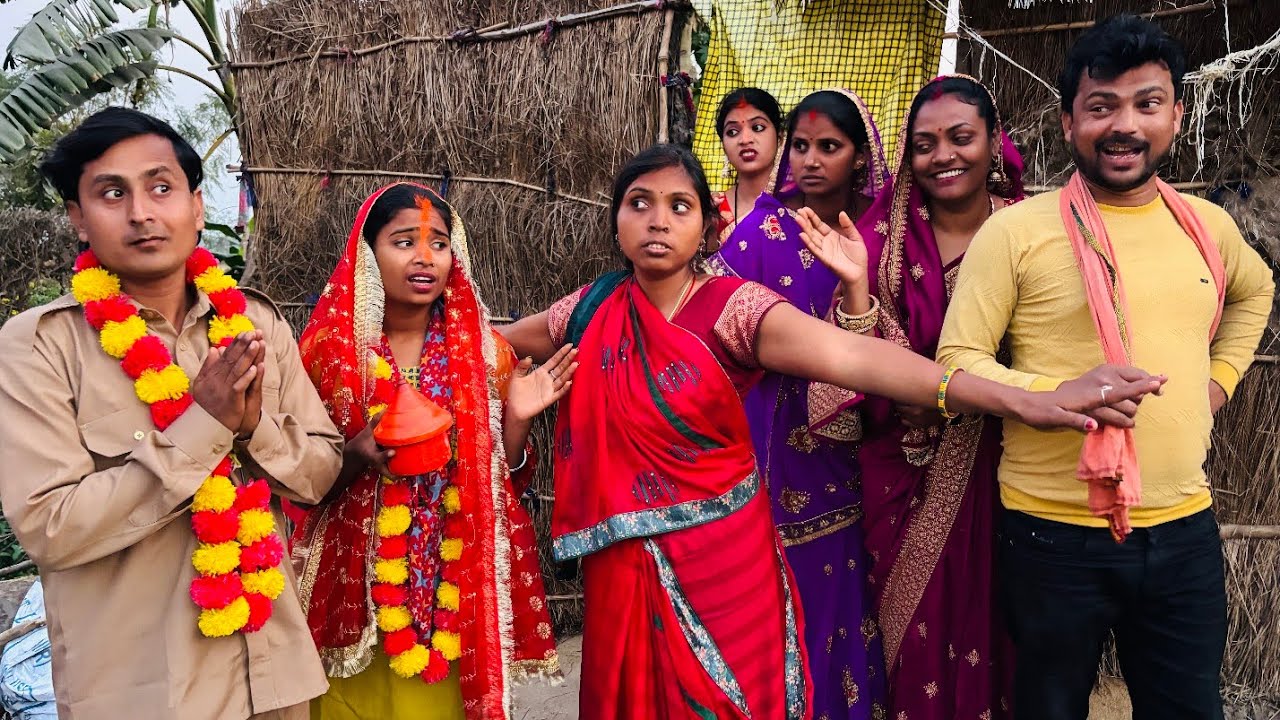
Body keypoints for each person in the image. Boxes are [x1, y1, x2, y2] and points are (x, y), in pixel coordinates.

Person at [498, 143, 1163, 719]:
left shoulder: (736, 308)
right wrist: (496, 403)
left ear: (706, 226)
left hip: (723, 564)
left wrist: (1026, 399)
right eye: (639, 203)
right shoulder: (589, 312)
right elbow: (490, 348)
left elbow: (861, 360)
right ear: (615, 220)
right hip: (621, 568)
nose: (657, 221)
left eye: (679, 206)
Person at [936, 16, 1275, 719]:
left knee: (1188, 709)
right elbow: (957, 362)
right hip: (1050, 536)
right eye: (1101, 106)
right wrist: (1051, 395)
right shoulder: (1016, 233)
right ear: (1067, 122)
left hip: (1184, 529)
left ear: (1176, 115)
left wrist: (1216, 387)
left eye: (1147, 104)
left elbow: (1256, 292)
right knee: (1048, 708)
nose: (1125, 125)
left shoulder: (1206, 227)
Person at [0, 107, 345, 719]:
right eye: (112, 193)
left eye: (161, 187)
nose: (140, 212)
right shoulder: (39, 345)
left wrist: (250, 428)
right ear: (78, 218)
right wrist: (204, 424)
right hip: (145, 693)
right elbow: (50, 526)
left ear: (197, 203)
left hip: (277, 676)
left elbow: (319, 477)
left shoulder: (255, 324)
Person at [292, 183, 569, 720]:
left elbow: (503, 478)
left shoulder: (487, 355)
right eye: (403, 242)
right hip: (359, 575)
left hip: (453, 571)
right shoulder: (328, 352)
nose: (425, 258)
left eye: (439, 243)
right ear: (368, 256)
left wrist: (515, 419)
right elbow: (300, 476)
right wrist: (356, 454)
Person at [805, 75, 1024, 719]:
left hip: (1009, 463)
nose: (944, 156)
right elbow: (846, 362)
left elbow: (1054, 350)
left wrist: (955, 396)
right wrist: (854, 291)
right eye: (924, 144)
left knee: (1002, 626)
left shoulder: (1034, 234)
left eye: (961, 137)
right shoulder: (878, 241)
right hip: (902, 465)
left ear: (993, 143)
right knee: (909, 639)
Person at [704, 88, 892, 719]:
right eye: (803, 147)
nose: (811, 161)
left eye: (830, 148)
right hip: (763, 438)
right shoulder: (764, 227)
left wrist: (856, 288)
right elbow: (708, 312)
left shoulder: (882, 236)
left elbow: (899, 348)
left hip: (860, 449)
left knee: (841, 595)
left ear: (860, 157)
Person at [710, 87, 785, 247]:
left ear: (780, 137)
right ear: (723, 145)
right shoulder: (713, 211)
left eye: (757, 128)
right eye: (732, 132)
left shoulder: (799, 206)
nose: (745, 140)